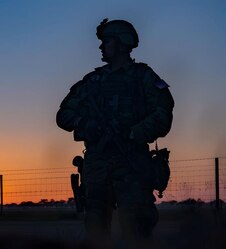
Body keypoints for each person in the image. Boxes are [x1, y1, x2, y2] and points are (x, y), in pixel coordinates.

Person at [56, 19, 174, 242]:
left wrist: (133, 133)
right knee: (96, 228)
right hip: (97, 165)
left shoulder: (145, 77)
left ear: (122, 43)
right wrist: (85, 123)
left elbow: (163, 114)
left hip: (131, 163)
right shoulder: (92, 82)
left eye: (106, 41)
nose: (101, 47)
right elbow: (63, 115)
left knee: (136, 228)